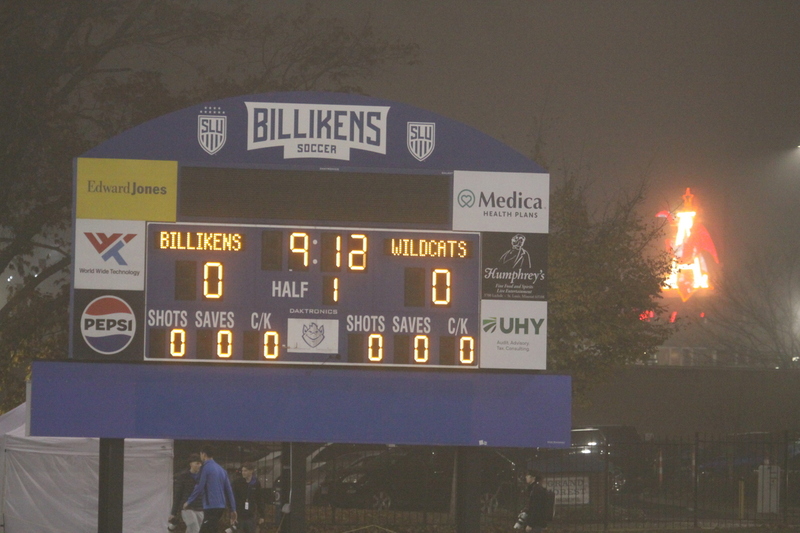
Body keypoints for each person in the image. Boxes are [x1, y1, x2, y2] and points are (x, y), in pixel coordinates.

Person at [184, 445, 237, 533]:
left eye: (201, 454)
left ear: (203, 454)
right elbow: (229, 491)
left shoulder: (205, 468)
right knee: (212, 529)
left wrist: (189, 501)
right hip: (221, 507)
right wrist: (233, 509)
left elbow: (199, 486)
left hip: (211, 506)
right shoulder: (222, 470)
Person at [170, 453, 204, 533]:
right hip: (187, 508)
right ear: (191, 464)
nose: (199, 465)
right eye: (197, 463)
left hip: (200, 508)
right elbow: (178, 495)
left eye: (200, 464)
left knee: (195, 530)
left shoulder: (203, 477)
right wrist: (173, 513)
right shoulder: (183, 477)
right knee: (194, 529)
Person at [232, 462, 265, 533]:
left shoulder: (256, 483)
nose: (243, 473)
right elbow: (233, 497)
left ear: (251, 471)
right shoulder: (237, 483)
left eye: (245, 471)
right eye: (242, 471)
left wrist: (262, 515)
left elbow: (259, 499)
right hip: (239, 514)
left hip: (250, 514)